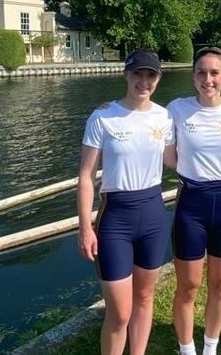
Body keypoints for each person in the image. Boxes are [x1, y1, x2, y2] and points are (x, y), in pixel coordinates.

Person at [77, 49, 175, 355]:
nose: (143, 81)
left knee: (144, 300)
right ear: (126, 74)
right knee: (119, 312)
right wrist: (85, 227)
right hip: (115, 219)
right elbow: (85, 177)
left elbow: (176, 160)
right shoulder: (103, 117)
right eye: (137, 74)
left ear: (158, 79)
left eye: (151, 75)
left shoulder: (165, 117)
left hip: (154, 216)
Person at [167, 47, 221, 355]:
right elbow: (143, 114)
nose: (207, 79)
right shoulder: (177, 108)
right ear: (193, 77)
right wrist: (111, 109)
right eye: (201, 72)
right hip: (192, 203)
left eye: (215, 73)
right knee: (188, 286)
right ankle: (187, 350)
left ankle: (210, 348)